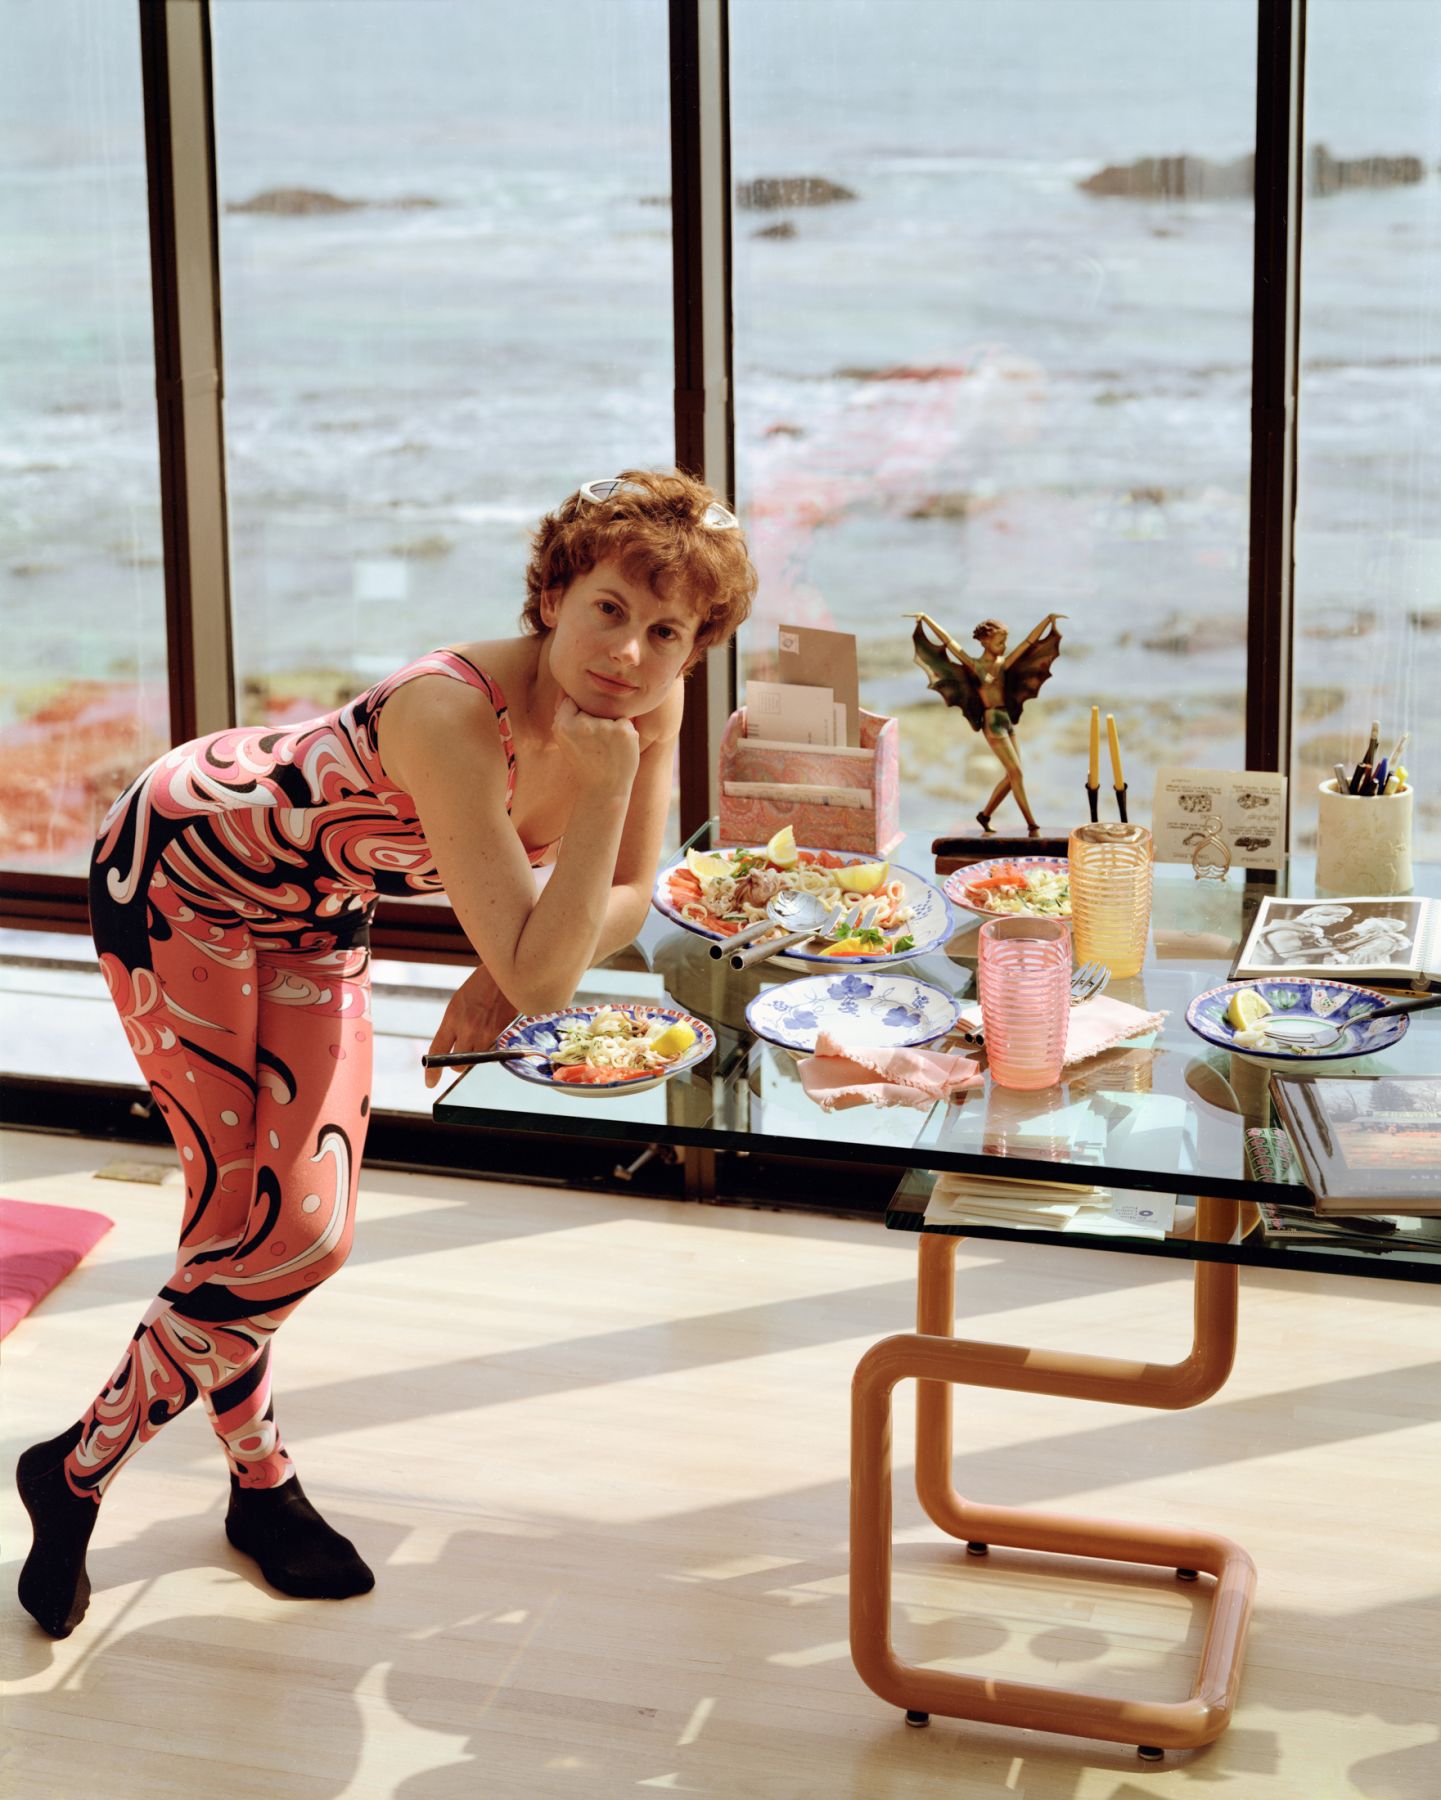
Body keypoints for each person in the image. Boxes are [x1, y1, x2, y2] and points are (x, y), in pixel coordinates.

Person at [16, 469, 757, 1639]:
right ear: (554, 594)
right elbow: (558, 957)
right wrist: (528, 938)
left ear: (696, 647)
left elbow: (627, 899)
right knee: (282, 1237)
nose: (628, 650)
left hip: (316, 908)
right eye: (609, 607)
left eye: (667, 631)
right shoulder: (450, 712)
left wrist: (512, 952)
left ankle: (221, 1487)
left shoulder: (641, 705)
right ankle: (102, 1469)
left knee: (263, 1233)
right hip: (182, 878)